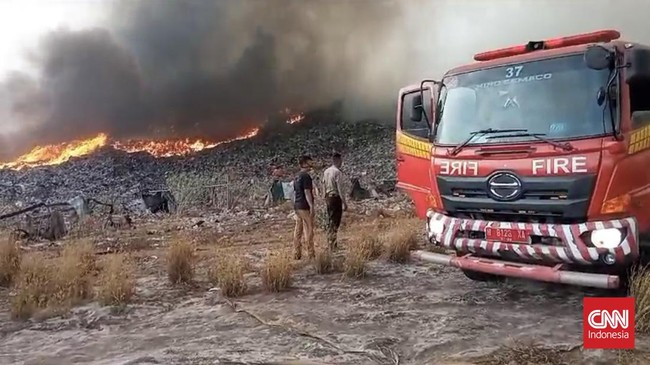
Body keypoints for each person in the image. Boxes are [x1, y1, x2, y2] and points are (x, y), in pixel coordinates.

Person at [292, 155, 315, 260]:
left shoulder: (297, 176)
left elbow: (295, 192)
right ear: (305, 163)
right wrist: (312, 206)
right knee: (309, 229)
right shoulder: (306, 176)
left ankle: (297, 253)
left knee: (298, 230)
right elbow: (307, 192)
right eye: (310, 161)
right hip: (304, 206)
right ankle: (311, 253)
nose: (312, 163)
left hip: (297, 205)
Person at [322, 152, 347, 250]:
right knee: (335, 221)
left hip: (328, 197)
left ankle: (330, 242)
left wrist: (324, 197)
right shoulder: (337, 172)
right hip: (335, 197)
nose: (341, 163)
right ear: (338, 160)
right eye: (341, 161)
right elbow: (340, 188)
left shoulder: (326, 171)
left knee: (330, 220)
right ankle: (333, 244)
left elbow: (323, 184)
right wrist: (344, 202)